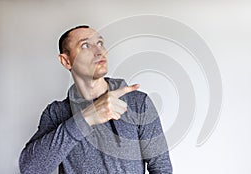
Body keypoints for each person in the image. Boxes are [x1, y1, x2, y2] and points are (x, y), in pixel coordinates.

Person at [19, 25, 172, 174]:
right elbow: (30, 168)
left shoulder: (137, 102)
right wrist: (85, 119)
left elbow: (161, 168)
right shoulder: (56, 113)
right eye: (85, 45)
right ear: (66, 61)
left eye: (100, 43)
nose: (99, 51)